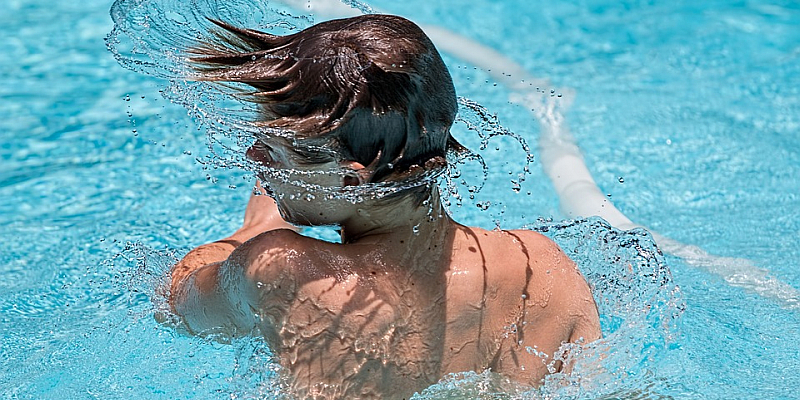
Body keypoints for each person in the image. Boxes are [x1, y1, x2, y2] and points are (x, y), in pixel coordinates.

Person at [169, 14, 600, 399]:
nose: (253, 157)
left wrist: (255, 230)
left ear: (351, 179)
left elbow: (178, 301)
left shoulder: (285, 270)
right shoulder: (542, 267)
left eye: (274, 150)